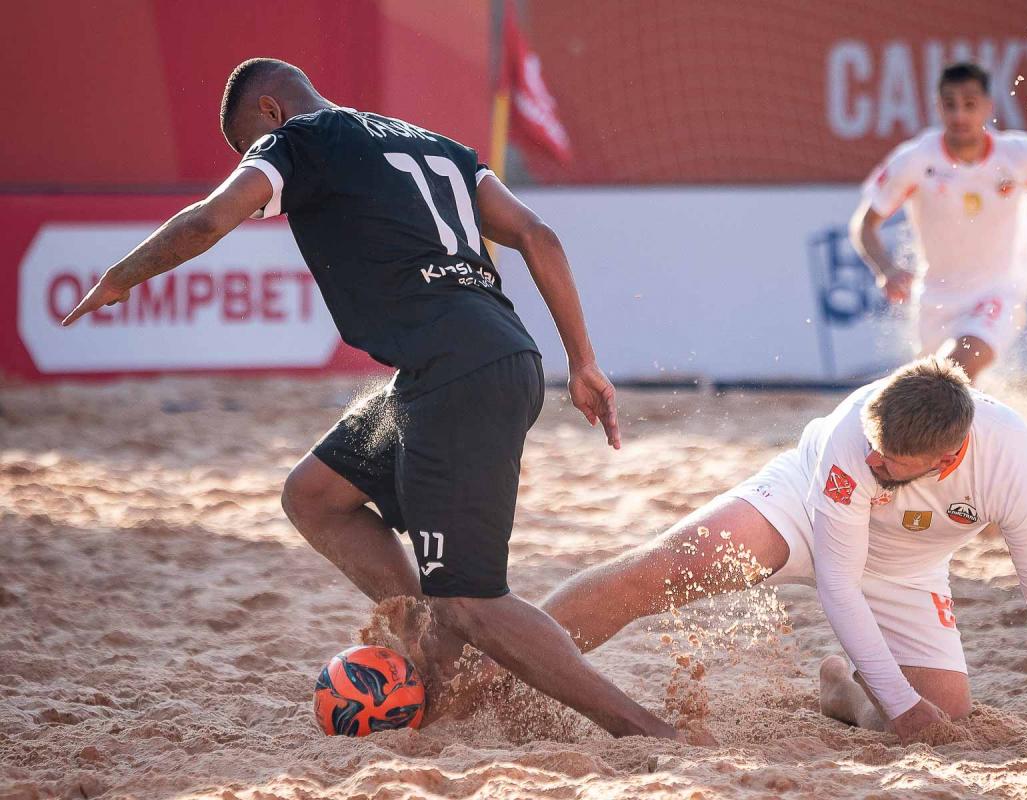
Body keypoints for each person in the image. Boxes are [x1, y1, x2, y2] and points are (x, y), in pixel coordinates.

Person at [62, 58, 680, 740]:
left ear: (269, 112)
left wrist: (120, 277)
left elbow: (208, 221)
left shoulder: (297, 139)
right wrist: (583, 362)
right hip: (481, 359)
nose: (253, 165)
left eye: (246, 148)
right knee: (314, 495)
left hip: (458, 374)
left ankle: (645, 731)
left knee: (473, 601)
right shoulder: (433, 144)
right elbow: (539, 234)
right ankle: (435, 649)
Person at [542, 357, 1027, 743]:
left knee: (944, 715)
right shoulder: (854, 437)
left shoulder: (1010, 467)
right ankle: (505, 654)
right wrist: (901, 704)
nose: (873, 461)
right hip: (801, 507)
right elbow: (838, 584)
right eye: (873, 448)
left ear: (946, 459)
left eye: (889, 464)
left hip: (906, 567)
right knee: (664, 568)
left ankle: (844, 692)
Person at [849, 62, 1027, 381]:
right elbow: (864, 225)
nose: (960, 115)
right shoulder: (916, 159)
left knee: (953, 370)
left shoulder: (1018, 153)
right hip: (935, 300)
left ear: (988, 107)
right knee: (938, 387)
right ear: (938, 107)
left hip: (1000, 291)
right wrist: (887, 269)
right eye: (950, 105)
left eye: (969, 105)